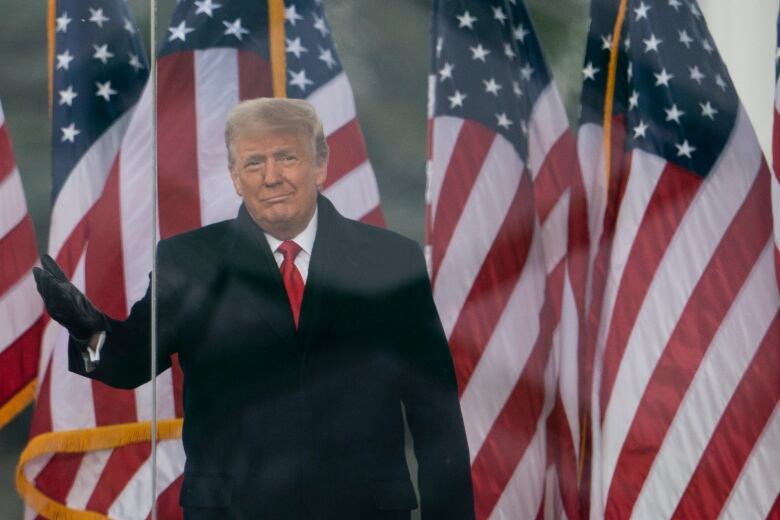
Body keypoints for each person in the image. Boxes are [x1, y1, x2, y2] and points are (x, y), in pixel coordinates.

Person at [33, 98, 474, 519]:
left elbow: (434, 411)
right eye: (253, 163)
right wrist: (87, 330)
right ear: (234, 175)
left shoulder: (390, 260)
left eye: (286, 157)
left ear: (320, 164)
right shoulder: (188, 261)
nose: (271, 176)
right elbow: (131, 362)